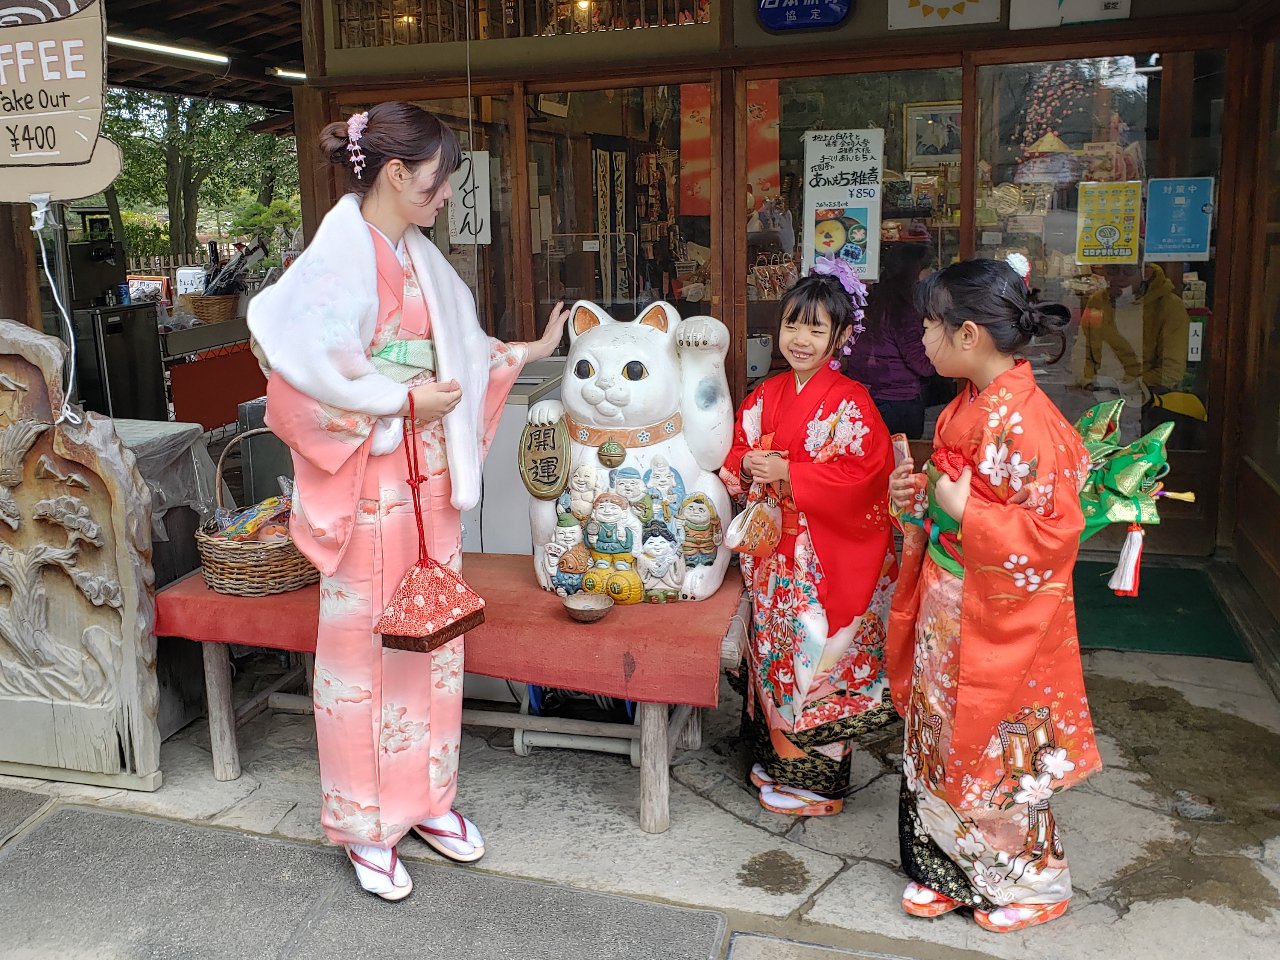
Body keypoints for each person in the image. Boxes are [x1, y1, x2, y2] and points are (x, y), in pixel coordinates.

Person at [248, 102, 568, 901]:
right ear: (395, 173)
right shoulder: (332, 262)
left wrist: (525, 353)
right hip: (367, 482)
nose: (444, 196)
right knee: (360, 656)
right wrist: (396, 405)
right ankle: (364, 824)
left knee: (434, 643)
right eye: (437, 182)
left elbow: (458, 349)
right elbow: (295, 391)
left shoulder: (419, 255)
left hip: (428, 482)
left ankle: (427, 799)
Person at [886, 258, 1098, 933]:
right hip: (952, 601)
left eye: (930, 325)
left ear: (969, 334)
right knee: (940, 737)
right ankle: (950, 870)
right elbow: (949, 500)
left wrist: (965, 514)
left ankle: (1034, 886)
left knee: (997, 750)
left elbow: (1055, 536)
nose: (922, 337)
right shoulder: (967, 405)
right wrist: (921, 501)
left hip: (999, 614)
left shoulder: (1030, 423)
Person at [721, 258, 897, 818]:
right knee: (773, 658)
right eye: (793, 324)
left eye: (816, 329)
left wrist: (792, 475)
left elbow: (865, 478)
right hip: (773, 558)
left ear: (840, 337)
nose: (800, 339)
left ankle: (818, 783)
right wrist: (748, 464)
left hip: (818, 561)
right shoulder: (766, 393)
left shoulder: (853, 403)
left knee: (815, 661)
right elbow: (733, 453)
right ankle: (776, 760)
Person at [842, 243, 935, 438]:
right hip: (897, 402)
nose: (932, 272)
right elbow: (922, 365)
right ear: (915, 270)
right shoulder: (902, 307)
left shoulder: (871, 296)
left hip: (864, 394)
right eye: (928, 266)